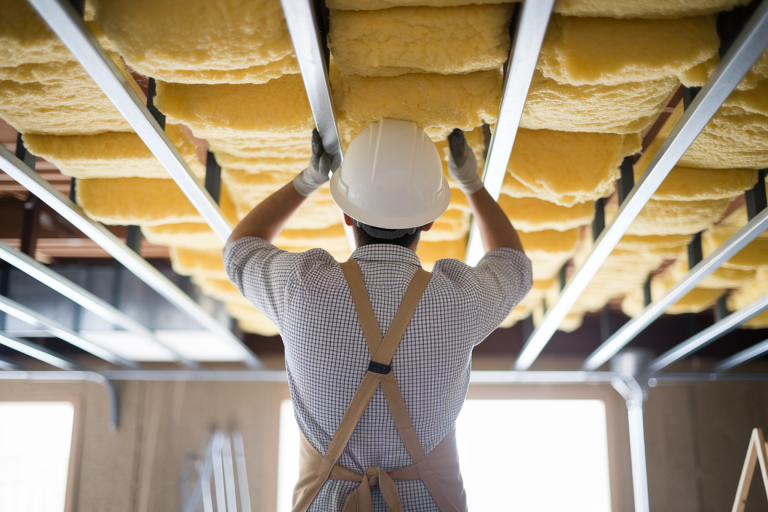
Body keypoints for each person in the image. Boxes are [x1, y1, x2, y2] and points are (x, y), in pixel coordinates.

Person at [225, 118, 532, 512]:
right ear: (429, 220)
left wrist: (309, 178)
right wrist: (472, 181)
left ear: (348, 216)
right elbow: (513, 266)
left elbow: (239, 251)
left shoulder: (303, 288)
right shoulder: (459, 300)